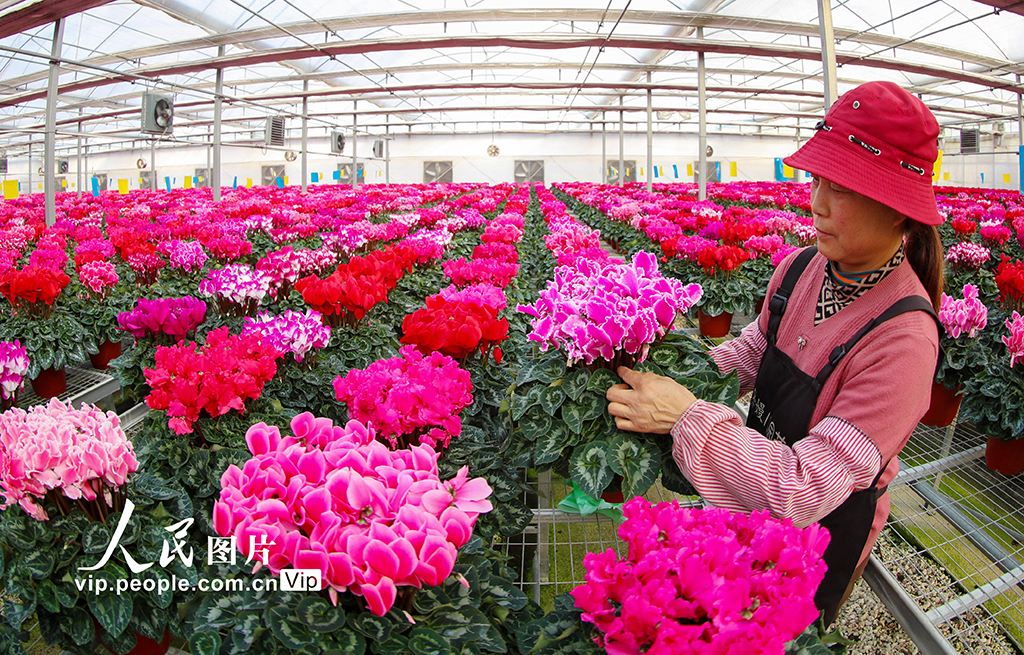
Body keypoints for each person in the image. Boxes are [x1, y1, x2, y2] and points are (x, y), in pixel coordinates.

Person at [605, 80, 944, 626]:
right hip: (750, 483)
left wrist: (686, 415)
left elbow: (803, 488)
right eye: (817, 179)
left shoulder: (903, 341)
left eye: (845, 189)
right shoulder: (800, 267)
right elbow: (751, 353)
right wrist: (668, 378)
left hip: (817, 532)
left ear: (899, 210)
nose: (818, 202)